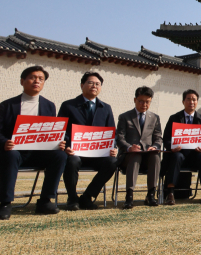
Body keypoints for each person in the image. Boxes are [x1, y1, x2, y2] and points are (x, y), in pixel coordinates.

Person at [0, 66, 67, 220]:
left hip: (39, 152)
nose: (37, 81)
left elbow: (50, 131)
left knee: (59, 156)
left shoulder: (49, 105)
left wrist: (58, 142)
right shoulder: (7, 105)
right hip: (14, 152)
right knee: (10, 155)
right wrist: (4, 142)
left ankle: (45, 201)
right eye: (32, 77)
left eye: (41, 79)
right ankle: (5, 202)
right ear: (22, 81)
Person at [58, 72, 118, 210]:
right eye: (91, 83)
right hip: (76, 152)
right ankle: (72, 198)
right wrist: (67, 146)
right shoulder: (68, 106)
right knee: (72, 161)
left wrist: (113, 147)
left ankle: (87, 196)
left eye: (97, 84)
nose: (94, 86)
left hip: (98, 153)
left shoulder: (106, 108)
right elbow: (62, 131)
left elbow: (111, 132)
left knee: (112, 162)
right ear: (82, 85)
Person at [162, 89, 201, 205]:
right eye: (188, 99)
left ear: (197, 102)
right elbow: (166, 139)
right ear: (183, 101)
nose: (191, 102)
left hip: (196, 155)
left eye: (194, 99)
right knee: (176, 157)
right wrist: (171, 147)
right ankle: (170, 193)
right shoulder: (174, 118)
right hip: (179, 154)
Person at [115, 86, 163, 209]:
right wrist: (129, 147)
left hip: (148, 156)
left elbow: (158, 137)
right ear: (135, 100)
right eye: (141, 101)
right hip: (129, 157)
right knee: (135, 155)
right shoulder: (125, 117)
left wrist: (155, 146)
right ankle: (129, 196)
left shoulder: (155, 117)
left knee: (156, 156)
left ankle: (151, 194)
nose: (144, 104)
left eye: (147, 101)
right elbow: (119, 138)